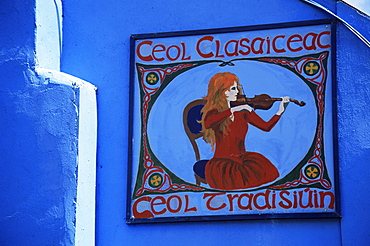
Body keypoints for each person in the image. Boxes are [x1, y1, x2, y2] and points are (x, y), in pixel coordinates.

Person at [199, 72, 289, 190]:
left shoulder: (244, 112)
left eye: (237, 88)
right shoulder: (215, 113)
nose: (237, 92)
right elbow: (208, 123)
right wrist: (234, 109)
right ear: (222, 91)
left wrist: (279, 112)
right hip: (223, 165)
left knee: (266, 174)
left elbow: (266, 127)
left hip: (243, 159)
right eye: (232, 88)